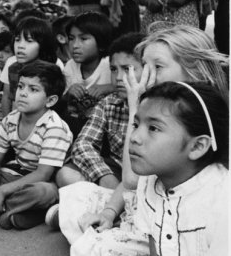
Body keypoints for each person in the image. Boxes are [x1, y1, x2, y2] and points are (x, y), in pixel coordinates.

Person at [59, 25, 228, 255]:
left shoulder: (213, 125)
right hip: (152, 215)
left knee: (90, 245)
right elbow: (133, 180)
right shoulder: (146, 108)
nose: (145, 77)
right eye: (144, 66)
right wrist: (109, 213)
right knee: (80, 206)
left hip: (192, 227)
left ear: (195, 71)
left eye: (157, 67)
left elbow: (131, 179)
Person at [0, 61, 72, 230]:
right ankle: (15, 211)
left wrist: (2, 192)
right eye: (21, 87)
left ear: (50, 100)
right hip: (17, 175)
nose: (22, 93)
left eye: (33, 89)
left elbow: (43, 174)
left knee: (44, 192)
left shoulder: (54, 127)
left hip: (44, 181)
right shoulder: (10, 120)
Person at [132, 82, 228, 256]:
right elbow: (155, 246)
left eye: (153, 128)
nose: (134, 137)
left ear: (197, 146)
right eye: (136, 125)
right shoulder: (149, 180)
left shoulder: (223, 201)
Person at [56, 32, 146, 189]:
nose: (118, 77)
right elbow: (83, 144)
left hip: (147, 175)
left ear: (147, 69)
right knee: (65, 175)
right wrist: (104, 175)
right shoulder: (108, 103)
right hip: (116, 171)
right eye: (113, 69)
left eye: (127, 69)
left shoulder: (158, 105)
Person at [63, 12, 115, 137]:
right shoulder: (70, 66)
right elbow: (61, 102)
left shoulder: (110, 65)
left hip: (107, 129)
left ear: (101, 43)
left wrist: (108, 87)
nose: (75, 45)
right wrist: (69, 93)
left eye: (83, 39)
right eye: (71, 38)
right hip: (76, 127)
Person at [0, 16, 60, 117]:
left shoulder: (53, 69)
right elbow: (7, 97)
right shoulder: (13, 67)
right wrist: (7, 122)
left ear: (43, 44)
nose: (20, 46)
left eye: (29, 41)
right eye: (17, 40)